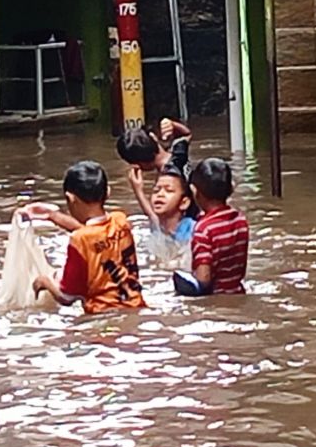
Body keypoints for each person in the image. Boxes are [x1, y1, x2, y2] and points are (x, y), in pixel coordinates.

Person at [28, 160, 146, 314]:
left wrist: (45, 282)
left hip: (102, 315)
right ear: (108, 192)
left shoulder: (79, 240)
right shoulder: (121, 221)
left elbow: (67, 297)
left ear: (70, 198)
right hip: (136, 305)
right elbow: (96, 235)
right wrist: (53, 216)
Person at [173, 158, 249, 297]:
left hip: (215, 299)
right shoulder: (240, 220)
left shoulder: (203, 229)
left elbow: (204, 278)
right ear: (231, 188)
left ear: (194, 191)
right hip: (238, 293)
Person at [128, 165, 195, 269]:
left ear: (184, 203)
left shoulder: (191, 229)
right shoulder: (159, 226)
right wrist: (138, 189)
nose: (160, 194)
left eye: (169, 190)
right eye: (156, 190)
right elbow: (151, 215)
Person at [116, 118, 193, 177]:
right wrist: (173, 124)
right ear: (153, 137)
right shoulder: (176, 151)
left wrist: (138, 190)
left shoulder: (167, 177)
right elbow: (186, 135)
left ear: (138, 164)